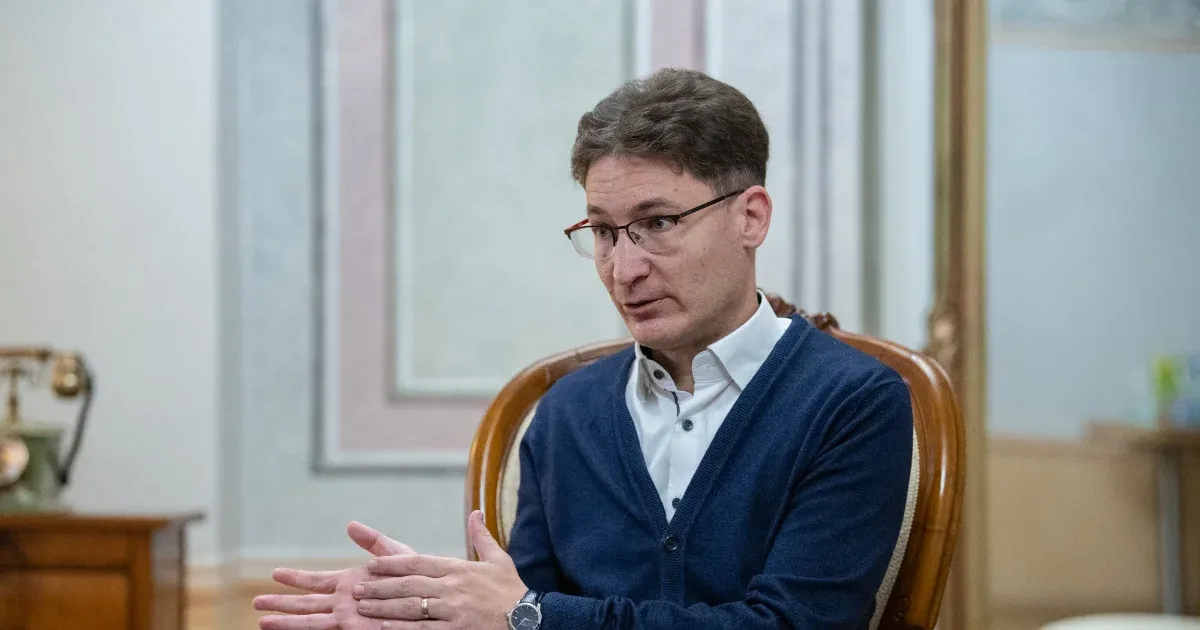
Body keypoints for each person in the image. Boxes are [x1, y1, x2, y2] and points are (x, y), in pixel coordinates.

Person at [254, 67, 913, 630]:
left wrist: (529, 615)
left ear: (751, 217)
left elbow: (792, 624)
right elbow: (518, 614)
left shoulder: (853, 401)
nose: (624, 270)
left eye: (658, 223)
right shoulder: (567, 412)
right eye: (602, 232)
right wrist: (427, 612)